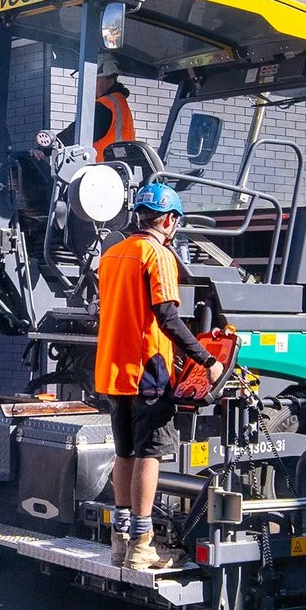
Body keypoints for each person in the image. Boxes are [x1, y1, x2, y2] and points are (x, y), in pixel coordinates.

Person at [94, 184, 224, 571]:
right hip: (147, 371)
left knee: (125, 453)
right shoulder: (158, 254)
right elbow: (167, 317)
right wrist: (207, 359)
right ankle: (141, 544)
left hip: (113, 371)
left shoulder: (113, 253)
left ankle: (120, 542)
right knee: (150, 455)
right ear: (168, 219)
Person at [93, 73, 136, 158]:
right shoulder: (119, 102)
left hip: (101, 168)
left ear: (110, 82)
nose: (92, 85)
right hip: (119, 165)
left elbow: (72, 136)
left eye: (96, 80)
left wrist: (58, 142)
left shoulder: (104, 105)